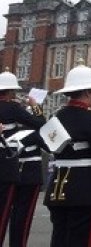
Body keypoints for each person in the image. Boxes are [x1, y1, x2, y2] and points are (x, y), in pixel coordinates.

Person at [42, 61, 91, 247]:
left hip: (58, 187)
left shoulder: (56, 116)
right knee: (85, 240)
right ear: (87, 92)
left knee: (60, 238)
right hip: (86, 189)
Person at [0, 68, 46, 247]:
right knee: (17, 216)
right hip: (9, 164)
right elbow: (40, 124)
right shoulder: (13, 108)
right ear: (11, 91)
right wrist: (35, 106)